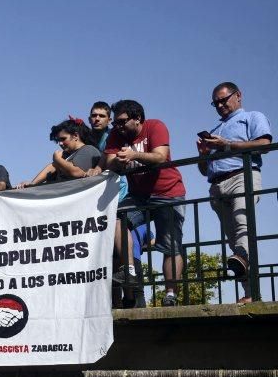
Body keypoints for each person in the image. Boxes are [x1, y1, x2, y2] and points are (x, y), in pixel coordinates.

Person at [101, 100, 186, 306]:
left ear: (137, 118)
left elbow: (161, 157)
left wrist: (134, 154)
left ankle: (170, 294)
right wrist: (118, 161)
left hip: (168, 192)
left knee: (170, 245)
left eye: (122, 122)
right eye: (116, 123)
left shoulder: (155, 126)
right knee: (117, 218)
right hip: (138, 195)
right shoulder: (116, 134)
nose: (118, 127)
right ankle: (129, 271)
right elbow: (108, 162)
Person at [197, 82, 272, 304]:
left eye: (224, 99)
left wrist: (227, 145)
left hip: (242, 174)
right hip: (217, 185)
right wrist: (203, 154)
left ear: (238, 95)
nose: (220, 105)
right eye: (216, 103)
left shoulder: (251, 117)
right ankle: (250, 293)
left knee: (243, 222)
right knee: (235, 245)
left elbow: (265, 144)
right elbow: (204, 170)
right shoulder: (215, 131)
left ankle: (252, 289)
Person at [16, 118, 101, 187]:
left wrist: (58, 159)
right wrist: (32, 184)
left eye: (63, 139)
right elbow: (53, 166)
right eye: (58, 140)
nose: (60, 143)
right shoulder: (66, 155)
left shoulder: (89, 150)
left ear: (75, 136)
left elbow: (76, 172)